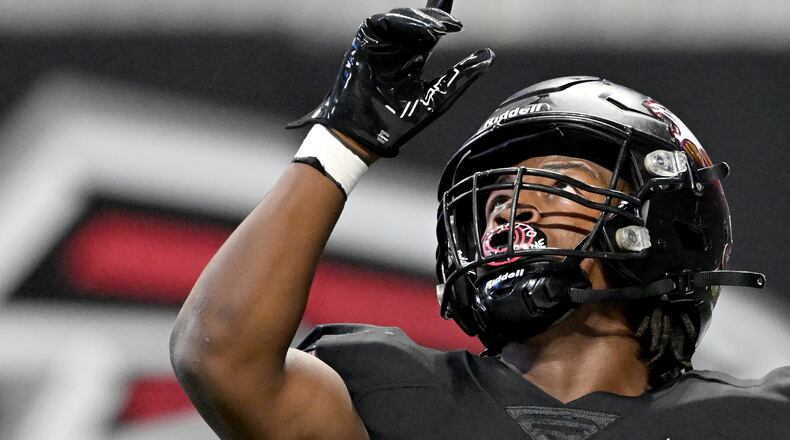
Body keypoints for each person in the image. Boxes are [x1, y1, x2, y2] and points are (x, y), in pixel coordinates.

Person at [169, 2, 787, 439]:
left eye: (564, 184)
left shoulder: (758, 420)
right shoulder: (389, 394)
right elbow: (219, 353)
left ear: (663, 233)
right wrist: (340, 144)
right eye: (493, 194)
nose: (509, 204)